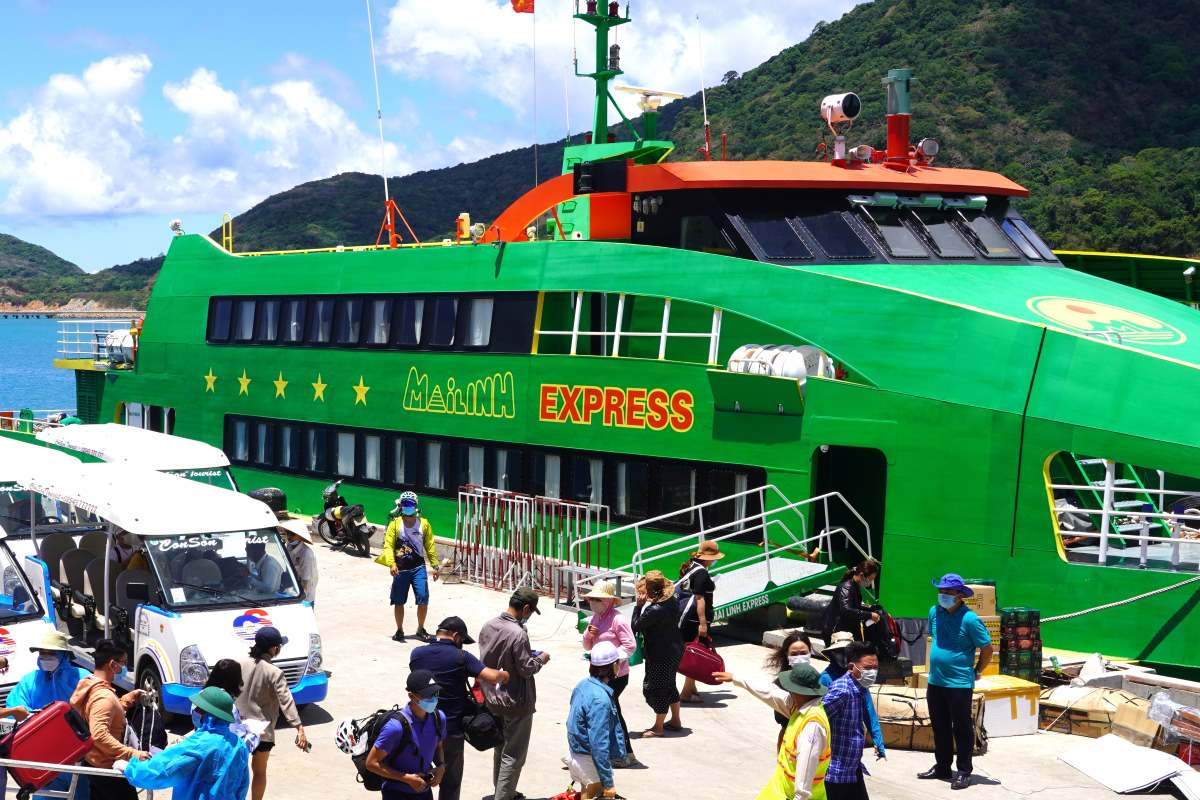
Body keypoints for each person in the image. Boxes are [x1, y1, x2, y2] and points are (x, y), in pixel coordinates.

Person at [409, 616, 510, 800]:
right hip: (450, 731)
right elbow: (492, 676)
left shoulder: (416, 654)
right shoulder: (461, 657)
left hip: (419, 727)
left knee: (417, 778)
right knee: (450, 782)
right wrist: (505, 674)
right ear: (456, 636)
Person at [713, 662, 831, 800]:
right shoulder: (799, 706)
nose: (788, 691)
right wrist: (735, 678)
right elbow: (770, 693)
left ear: (798, 692)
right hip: (779, 790)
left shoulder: (812, 726)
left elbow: (804, 784)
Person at [919, 574, 993, 791]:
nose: (943, 596)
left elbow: (987, 649)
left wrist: (977, 670)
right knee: (939, 725)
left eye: (948, 593)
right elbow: (938, 640)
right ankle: (942, 766)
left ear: (960, 595)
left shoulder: (970, 620)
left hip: (959, 683)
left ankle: (963, 770)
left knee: (961, 728)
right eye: (941, 591)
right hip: (936, 681)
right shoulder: (934, 612)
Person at [116, 686, 250, 800]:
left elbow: (161, 771)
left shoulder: (198, 744)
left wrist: (130, 769)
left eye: (198, 708)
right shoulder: (239, 744)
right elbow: (242, 785)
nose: (194, 711)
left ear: (207, 714)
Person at [478, 588, 549, 800]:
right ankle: (503, 796)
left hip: (492, 697)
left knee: (500, 747)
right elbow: (526, 668)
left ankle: (503, 791)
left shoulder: (488, 625)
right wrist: (541, 658)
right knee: (513, 754)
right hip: (516, 701)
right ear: (526, 608)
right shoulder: (518, 633)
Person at [9, 630, 94, 799]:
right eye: (42, 653)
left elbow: (97, 709)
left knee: (79, 793)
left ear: (64, 655)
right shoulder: (29, 681)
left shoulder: (83, 679)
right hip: (40, 758)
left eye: (51, 653)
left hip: (75, 755)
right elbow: (15, 711)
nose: (45, 657)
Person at [69, 639, 148, 800]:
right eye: (123, 663)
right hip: (108, 770)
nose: (125, 668)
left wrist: (126, 700)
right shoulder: (103, 697)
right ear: (112, 664)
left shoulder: (90, 685)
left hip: (95, 763)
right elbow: (99, 734)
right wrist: (132, 753)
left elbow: (106, 713)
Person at [237, 626, 309, 800]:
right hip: (261, 732)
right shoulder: (275, 672)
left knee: (236, 770)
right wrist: (299, 728)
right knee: (259, 772)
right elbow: (286, 701)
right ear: (274, 648)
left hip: (238, 727)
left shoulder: (240, 664)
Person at [365, 669, 447, 800]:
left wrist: (441, 766)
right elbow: (371, 763)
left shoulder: (439, 718)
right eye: (427, 695)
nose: (433, 699)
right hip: (396, 793)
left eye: (435, 693)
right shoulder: (395, 728)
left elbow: (438, 746)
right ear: (411, 696)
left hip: (424, 792)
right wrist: (407, 779)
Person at [580, 581, 638, 767]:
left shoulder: (617, 619)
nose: (592, 602)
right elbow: (588, 646)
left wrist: (612, 659)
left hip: (616, 675)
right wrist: (589, 634)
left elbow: (630, 645)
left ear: (607, 601)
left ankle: (625, 753)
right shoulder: (596, 618)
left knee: (611, 712)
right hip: (598, 672)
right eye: (591, 599)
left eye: (596, 599)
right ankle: (610, 751)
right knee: (604, 712)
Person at [566, 642, 627, 800]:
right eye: (619, 663)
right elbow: (598, 743)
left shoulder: (583, 685)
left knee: (587, 792)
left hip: (577, 751)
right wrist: (608, 782)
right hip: (589, 757)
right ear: (613, 666)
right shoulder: (600, 700)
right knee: (595, 794)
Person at [379, 492, 439, 643]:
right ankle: (399, 630)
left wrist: (435, 565)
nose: (407, 507)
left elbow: (430, 545)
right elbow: (388, 545)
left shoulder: (424, 524)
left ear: (416, 506)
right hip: (400, 570)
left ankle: (421, 628)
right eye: (405, 504)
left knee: (423, 599)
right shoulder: (395, 524)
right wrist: (391, 563)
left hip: (418, 568)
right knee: (398, 601)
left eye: (410, 504)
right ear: (401, 506)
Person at [821, 642, 878, 800]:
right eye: (867, 668)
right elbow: (817, 719)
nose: (872, 672)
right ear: (852, 667)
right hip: (836, 772)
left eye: (875, 668)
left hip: (852, 768)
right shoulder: (842, 690)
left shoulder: (858, 688)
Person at [630, 570, 683, 737]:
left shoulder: (653, 610)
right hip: (675, 649)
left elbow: (636, 626)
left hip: (660, 653)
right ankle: (675, 720)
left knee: (655, 688)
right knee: (670, 684)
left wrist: (638, 607)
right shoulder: (673, 601)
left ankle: (658, 727)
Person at [819, 632, 886, 763]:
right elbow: (818, 715)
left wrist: (878, 741)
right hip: (830, 748)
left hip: (851, 746)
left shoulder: (858, 678)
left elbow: (868, 710)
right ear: (832, 654)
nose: (844, 656)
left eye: (847, 651)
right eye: (839, 652)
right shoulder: (826, 679)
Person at [678, 541, 722, 703]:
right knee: (695, 654)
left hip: (689, 619)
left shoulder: (691, 567)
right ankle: (686, 693)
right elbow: (700, 598)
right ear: (708, 558)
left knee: (692, 651)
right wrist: (702, 623)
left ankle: (691, 688)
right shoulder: (702, 573)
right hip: (696, 620)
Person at [765, 630, 814, 750]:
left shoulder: (818, 680)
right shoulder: (780, 683)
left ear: (810, 652)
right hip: (789, 739)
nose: (799, 657)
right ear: (787, 655)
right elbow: (780, 717)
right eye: (794, 654)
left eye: (803, 653)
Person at [206, 658, 265, 751]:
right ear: (234, 680)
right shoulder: (229, 708)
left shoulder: (199, 699)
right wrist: (255, 735)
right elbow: (236, 741)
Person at [822, 560, 880, 643]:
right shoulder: (847, 588)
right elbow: (846, 610)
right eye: (870, 579)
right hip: (835, 631)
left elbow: (855, 606)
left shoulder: (855, 586)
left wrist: (871, 609)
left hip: (843, 629)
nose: (870, 583)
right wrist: (869, 615)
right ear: (862, 575)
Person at [279, 518, 319, 601]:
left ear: (300, 535)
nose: (289, 537)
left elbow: (306, 581)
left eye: (292, 534)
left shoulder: (306, 554)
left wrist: (301, 597)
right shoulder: (289, 546)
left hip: (305, 593)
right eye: (287, 533)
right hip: (293, 587)